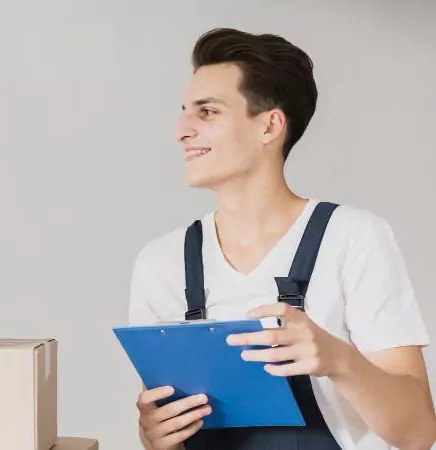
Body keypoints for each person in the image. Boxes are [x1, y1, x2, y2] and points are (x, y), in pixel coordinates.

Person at [128, 28, 436, 450]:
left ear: (270, 125)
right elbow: (167, 434)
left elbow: (419, 433)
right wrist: (156, 437)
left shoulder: (354, 239)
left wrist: (338, 360)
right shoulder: (160, 264)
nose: (181, 130)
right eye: (184, 111)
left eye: (207, 112)